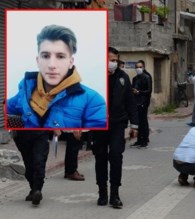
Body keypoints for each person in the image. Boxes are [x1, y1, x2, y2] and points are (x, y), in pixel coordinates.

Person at [6, 24, 106, 128]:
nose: (52, 65)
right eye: (45, 56)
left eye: (60, 56)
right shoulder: (26, 89)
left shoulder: (93, 101)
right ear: (38, 61)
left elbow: (96, 139)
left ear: (70, 62)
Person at [91, 47, 139, 209]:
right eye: (109, 59)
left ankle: (115, 194)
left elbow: (130, 103)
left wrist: (135, 125)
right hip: (98, 124)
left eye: (114, 60)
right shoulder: (94, 77)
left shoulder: (123, 78)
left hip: (118, 123)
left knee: (116, 156)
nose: (112, 63)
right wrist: (79, 126)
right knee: (100, 157)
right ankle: (102, 192)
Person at [13, 130, 50, 206]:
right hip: (22, 133)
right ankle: (33, 189)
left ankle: (37, 190)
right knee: (29, 164)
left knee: (39, 160)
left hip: (41, 132)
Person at [130, 60, 152, 149]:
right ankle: (139, 140)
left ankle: (145, 140)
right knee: (137, 122)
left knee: (143, 121)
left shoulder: (147, 77)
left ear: (143, 67)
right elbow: (132, 89)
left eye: (140, 67)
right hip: (136, 102)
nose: (138, 69)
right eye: (137, 67)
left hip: (144, 102)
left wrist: (139, 92)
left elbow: (149, 90)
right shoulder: (135, 78)